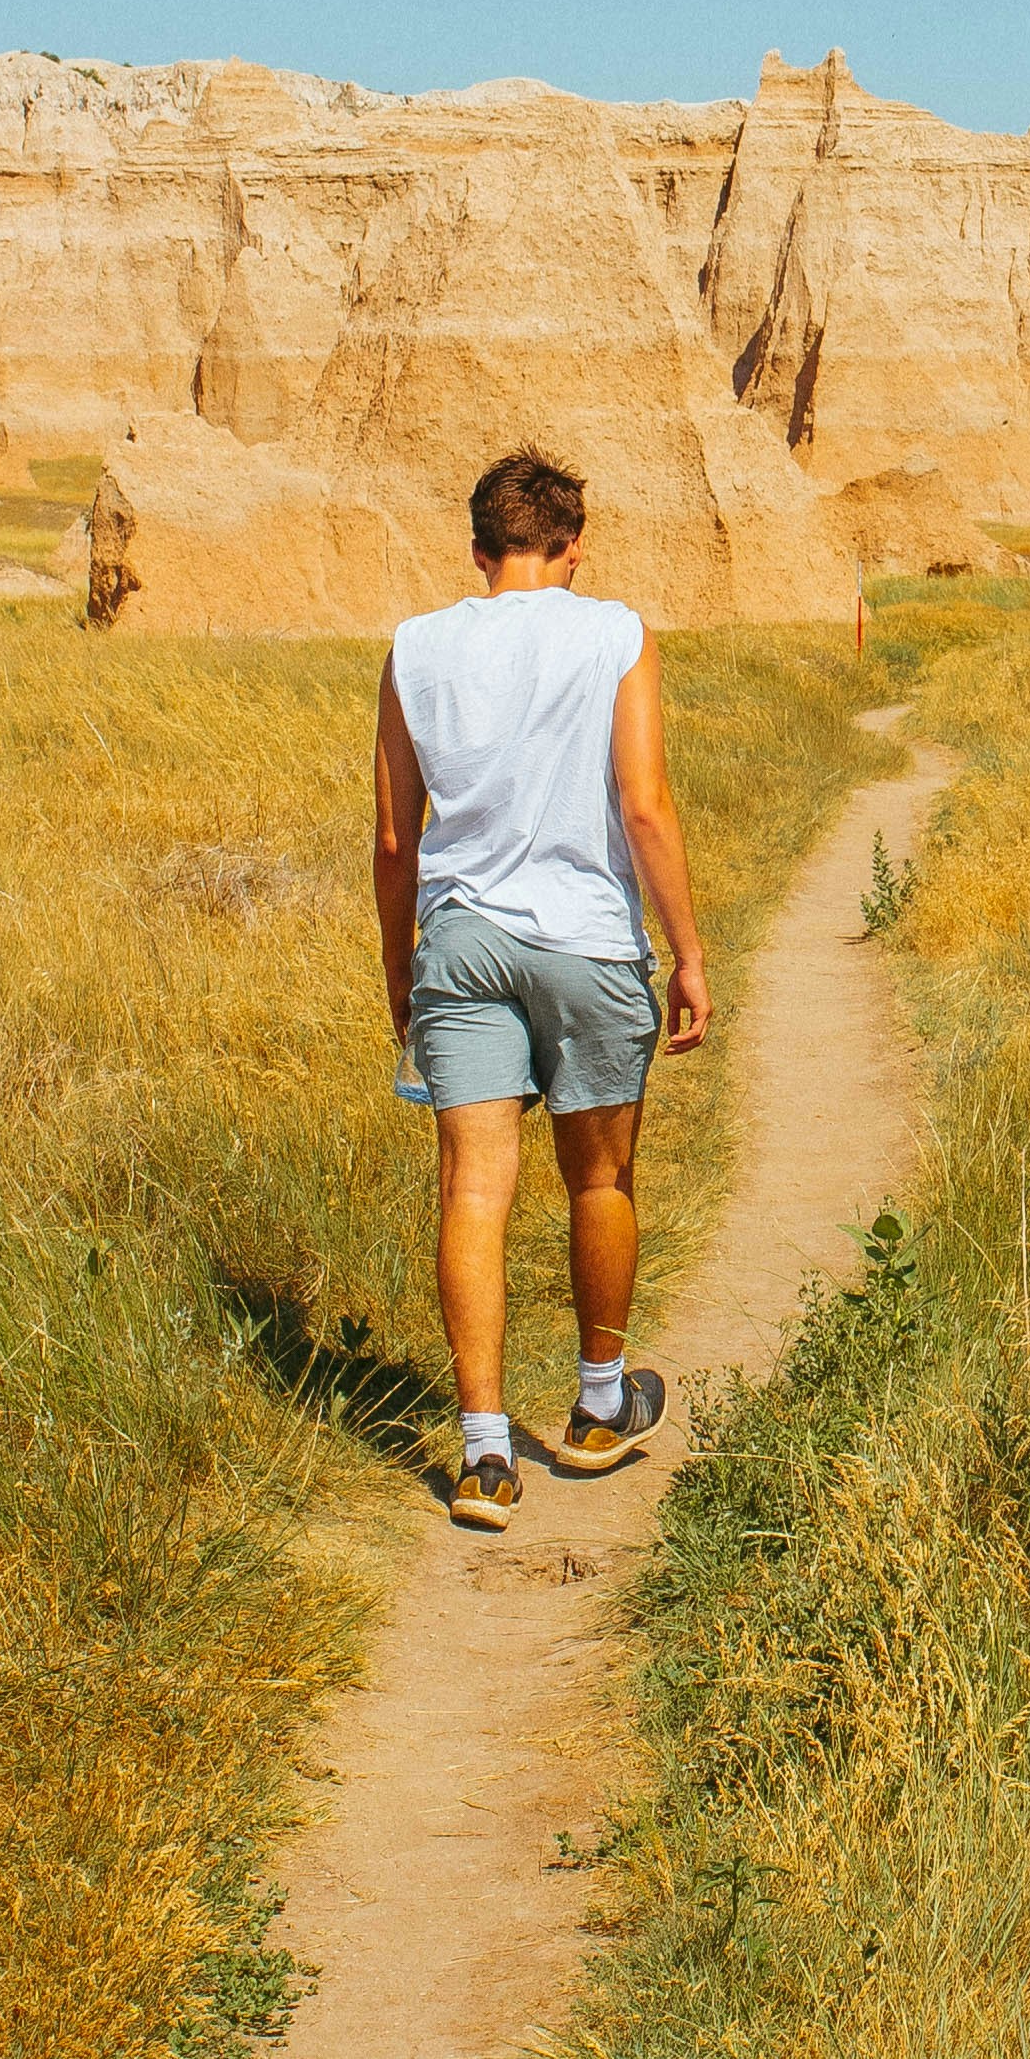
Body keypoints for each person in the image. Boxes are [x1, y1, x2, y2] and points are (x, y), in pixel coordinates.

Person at [370, 445, 715, 1530]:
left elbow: (393, 838)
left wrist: (401, 971)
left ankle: (481, 1456)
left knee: (474, 1188)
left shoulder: (415, 648)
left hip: (461, 947)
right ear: (572, 549)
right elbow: (646, 803)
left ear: (478, 551)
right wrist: (690, 954)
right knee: (599, 1179)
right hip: (586, 945)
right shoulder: (612, 631)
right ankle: (601, 1410)